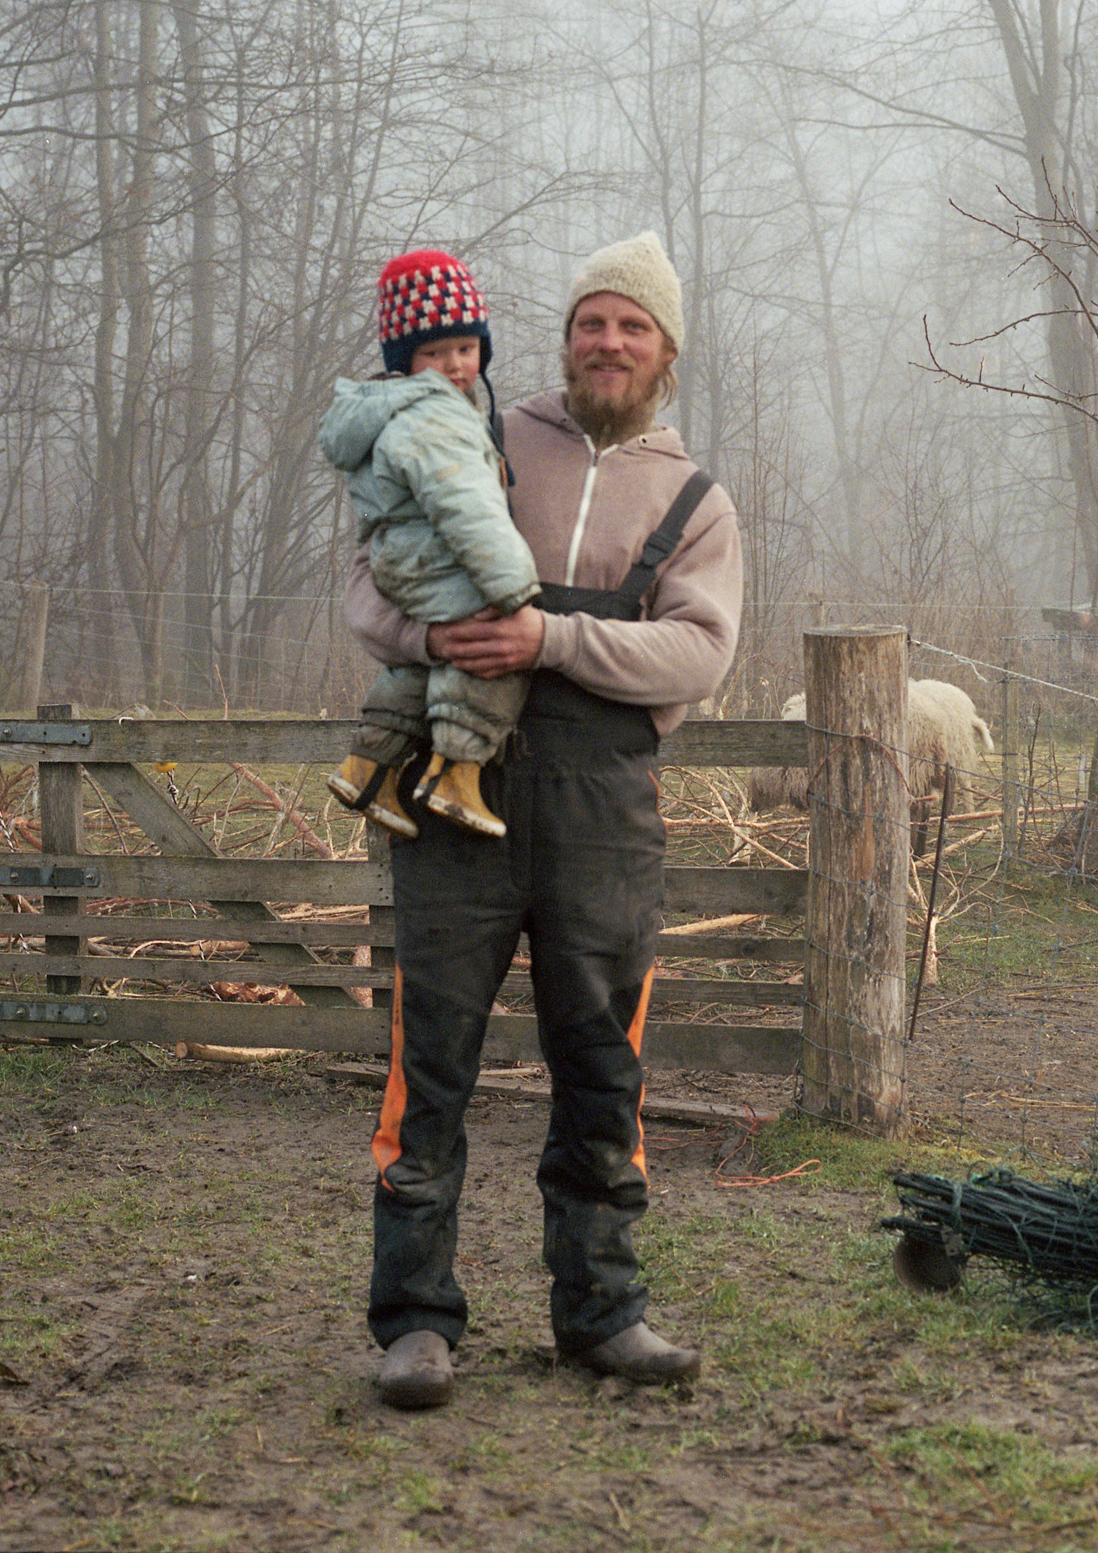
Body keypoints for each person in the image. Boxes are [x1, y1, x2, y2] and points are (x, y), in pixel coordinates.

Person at [344, 230, 742, 1410]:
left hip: (605, 811)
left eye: (631, 325)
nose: (605, 342)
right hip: (456, 793)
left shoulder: (694, 501)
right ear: (563, 338)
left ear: (667, 351)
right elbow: (370, 580)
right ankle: (415, 1321)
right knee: (431, 1070)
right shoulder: (475, 429)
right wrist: (430, 640)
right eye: (588, 322)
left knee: (602, 1067)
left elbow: (701, 651)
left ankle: (602, 1311)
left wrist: (551, 638)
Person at [320, 249, 539, 839]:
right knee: (494, 653)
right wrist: (516, 588)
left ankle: (368, 768)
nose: (455, 365)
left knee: (423, 664)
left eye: (466, 349)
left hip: (406, 560)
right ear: (406, 361)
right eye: (435, 353)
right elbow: (468, 510)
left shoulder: (403, 412)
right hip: (434, 558)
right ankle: (455, 775)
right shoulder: (435, 417)